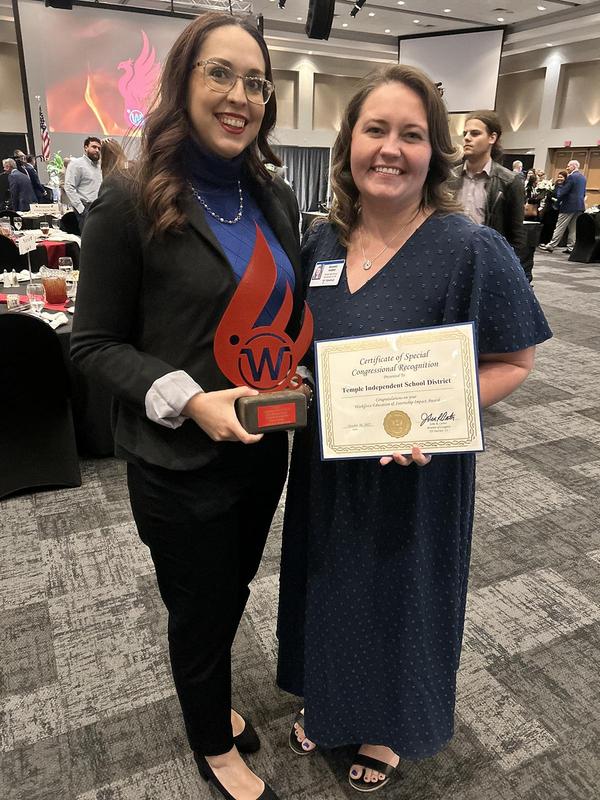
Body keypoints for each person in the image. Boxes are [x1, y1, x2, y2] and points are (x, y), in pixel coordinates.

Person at [276, 64, 552, 794]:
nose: (390, 149)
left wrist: (443, 416)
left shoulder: (469, 247)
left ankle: (387, 725)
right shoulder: (324, 244)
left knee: (399, 595)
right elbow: (305, 347)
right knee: (330, 583)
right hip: (330, 467)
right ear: (349, 144)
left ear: (436, 152)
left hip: (419, 471)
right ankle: (330, 702)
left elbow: (514, 360)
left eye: (412, 134)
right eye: (375, 130)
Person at [71, 12, 308, 800]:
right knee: (198, 607)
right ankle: (212, 742)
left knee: (229, 592)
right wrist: (192, 399)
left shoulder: (272, 199)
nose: (240, 95)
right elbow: (94, 345)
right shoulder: (129, 201)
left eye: (256, 82)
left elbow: (279, 311)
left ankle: (206, 699)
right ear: (182, 82)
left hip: (261, 450)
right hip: (179, 461)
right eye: (220, 74)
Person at [448, 110, 526, 267]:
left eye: (475, 133)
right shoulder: (450, 178)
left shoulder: (509, 181)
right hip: (451, 259)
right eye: (465, 133)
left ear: (492, 138)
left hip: (488, 262)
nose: (467, 138)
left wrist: (519, 275)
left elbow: (517, 235)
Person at [538, 159, 587, 254]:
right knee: (573, 228)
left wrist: (557, 203)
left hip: (569, 205)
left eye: (568, 166)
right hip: (579, 206)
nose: (567, 168)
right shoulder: (583, 178)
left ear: (573, 166)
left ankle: (551, 245)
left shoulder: (571, 177)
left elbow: (564, 191)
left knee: (560, 226)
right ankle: (571, 247)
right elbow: (583, 193)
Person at [64, 136, 102, 231]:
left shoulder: (100, 166)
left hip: (100, 207)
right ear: (86, 147)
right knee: (89, 242)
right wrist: (81, 210)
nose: (97, 150)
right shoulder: (76, 164)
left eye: (99, 148)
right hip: (86, 208)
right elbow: (69, 187)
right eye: (94, 147)